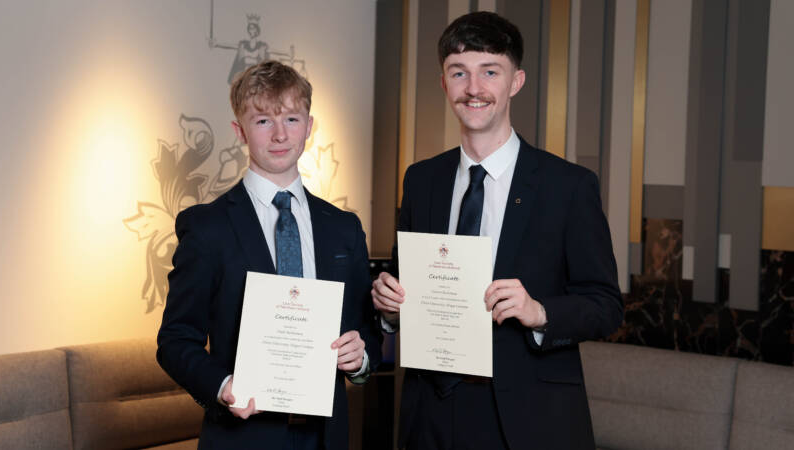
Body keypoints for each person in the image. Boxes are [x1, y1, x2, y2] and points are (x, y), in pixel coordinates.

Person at [371, 11, 623, 450]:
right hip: (429, 412)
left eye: (490, 71)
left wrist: (539, 311)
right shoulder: (421, 179)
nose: (474, 88)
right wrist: (390, 308)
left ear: (516, 81)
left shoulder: (568, 186)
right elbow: (408, 285)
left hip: (526, 417)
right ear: (444, 83)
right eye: (459, 73)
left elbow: (605, 306)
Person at [157, 60, 382, 450]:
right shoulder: (207, 228)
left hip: (327, 436)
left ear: (309, 126)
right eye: (263, 121)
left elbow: (367, 334)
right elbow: (175, 340)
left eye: (292, 119)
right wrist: (223, 386)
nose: (280, 135)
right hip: (242, 438)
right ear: (239, 131)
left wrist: (360, 359)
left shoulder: (344, 228)